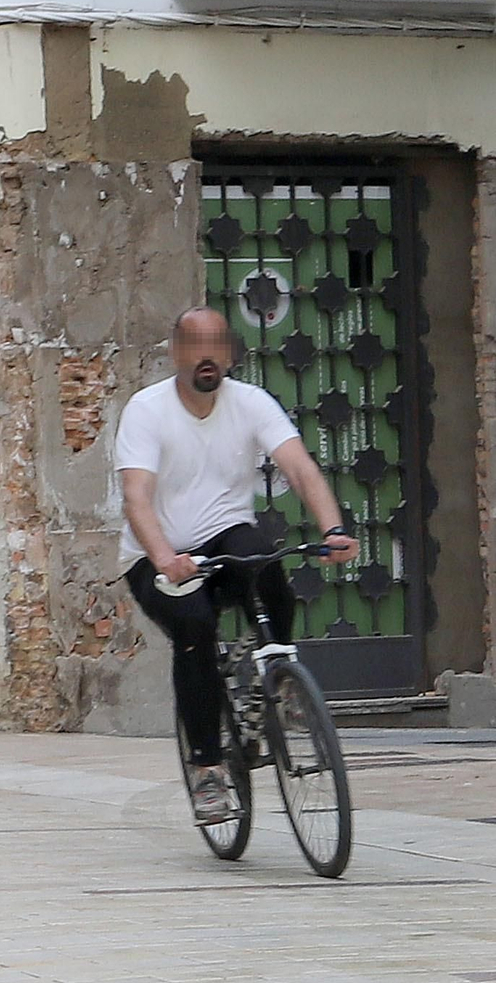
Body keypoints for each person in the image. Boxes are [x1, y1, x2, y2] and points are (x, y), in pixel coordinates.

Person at [116, 308, 359, 824]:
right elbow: (136, 498)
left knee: (263, 556)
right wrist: (165, 559)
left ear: (228, 354)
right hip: (156, 557)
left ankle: (273, 678)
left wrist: (333, 529)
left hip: (223, 539)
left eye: (216, 345)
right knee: (196, 629)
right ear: (177, 353)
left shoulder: (251, 403)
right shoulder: (147, 410)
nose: (206, 356)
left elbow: (298, 466)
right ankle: (207, 770)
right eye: (194, 345)